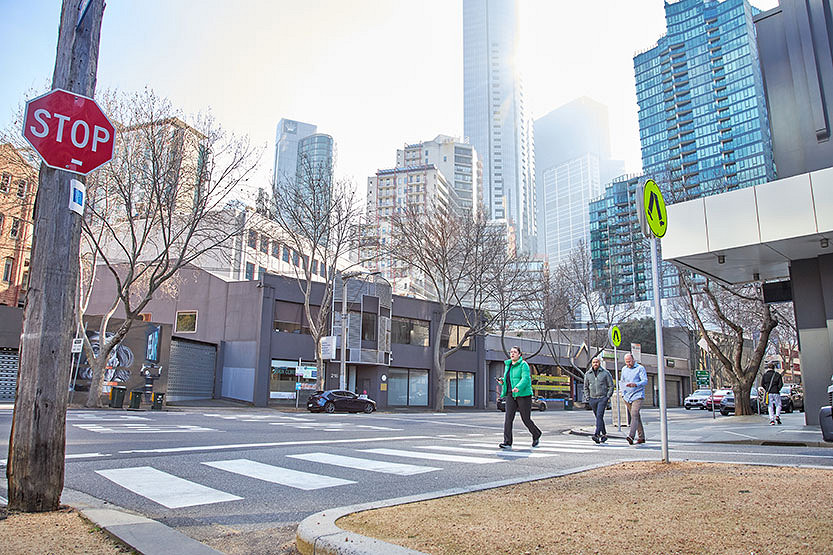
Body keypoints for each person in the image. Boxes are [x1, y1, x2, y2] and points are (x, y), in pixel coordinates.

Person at [497, 346, 542, 449]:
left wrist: (518, 387)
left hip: (523, 395)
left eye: (514, 352)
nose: (512, 354)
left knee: (525, 419)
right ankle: (507, 442)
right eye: (511, 352)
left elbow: (525, 378)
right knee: (508, 418)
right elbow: (510, 379)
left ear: (519, 354)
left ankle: (536, 434)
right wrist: (502, 381)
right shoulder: (508, 365)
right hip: (510, 394)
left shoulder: (523, 365)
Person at [583, 357, 614, 444]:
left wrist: (607, 397)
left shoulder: (605, 373)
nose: (595, 364)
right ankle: (604, 434)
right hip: (592, 399)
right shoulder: (588, 374)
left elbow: (611, 385)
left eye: (597, 362)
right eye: (593, 362)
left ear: (599, 363)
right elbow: (585, 387)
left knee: (599, 416)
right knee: (598, 417)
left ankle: (596, 434)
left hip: (602, 398)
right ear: (591, 364)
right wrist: (588, 397)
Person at [620, 353, 648, 445]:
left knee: (634, 413)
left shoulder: (640, 368)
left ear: (633, 360)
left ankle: (631, 436)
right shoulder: (624, 369)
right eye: (626, 362)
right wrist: (623, 394)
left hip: (637, 395)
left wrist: (636, 384)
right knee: (636, 417)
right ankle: (641, 437)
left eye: (629, 361)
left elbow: (645, 381)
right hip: (627, 396)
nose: (628, 363)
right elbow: (622, 381)